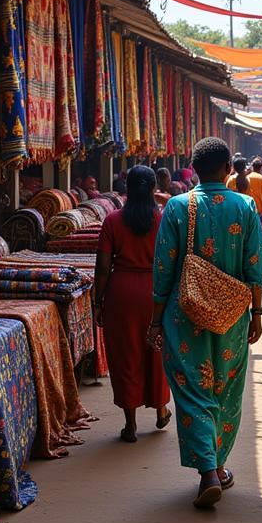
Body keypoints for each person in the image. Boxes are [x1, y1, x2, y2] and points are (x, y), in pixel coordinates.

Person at [151, 137, 262, 508]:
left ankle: (208, 472)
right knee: (226, 388)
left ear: (194, 167)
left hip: (183, 316)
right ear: (229, 168)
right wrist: (258, 314)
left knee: (192, 390)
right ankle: (217, 464)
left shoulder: (177, 207)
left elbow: (164, 269)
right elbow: (255, 266)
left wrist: (156, 321)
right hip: (232, 316)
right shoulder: (246, 205)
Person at [93, 165, 172, 443]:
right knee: (157, 351)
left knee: (126, 356)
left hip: (121, 293)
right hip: (155, 293)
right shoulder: (163, 220)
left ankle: (130, 425)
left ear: (127, 189)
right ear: (153, 189)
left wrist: (97, 300)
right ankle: (161, 409)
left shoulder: (112, 220)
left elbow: (103, 267)